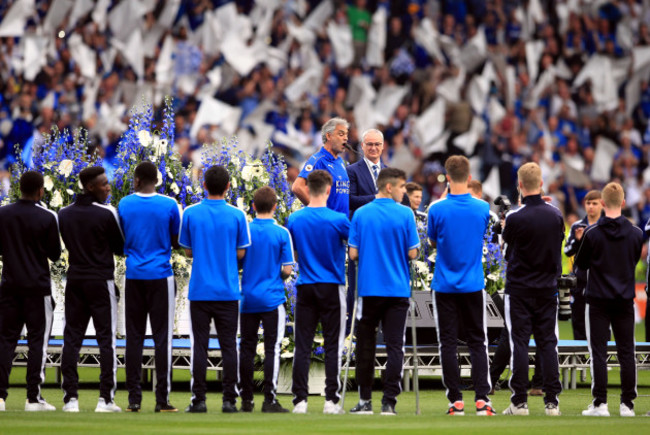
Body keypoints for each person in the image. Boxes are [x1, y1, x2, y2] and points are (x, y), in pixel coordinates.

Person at [427, 155, 495, 416]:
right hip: (472, 284)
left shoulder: (436, 208)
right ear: (469, 177)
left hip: (444, 284)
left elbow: (432, 242)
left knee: (447, 343)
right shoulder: (482, 208)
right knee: (478, 342)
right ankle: (482, 400)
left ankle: (455, 401)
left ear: (447, 176)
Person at [348, 168, 419, 415]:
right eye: (401, 187)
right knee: (395, 346)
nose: (404, 192)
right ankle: (389, 401)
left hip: (369, 290)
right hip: (397, 290)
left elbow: (353, 253)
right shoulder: (405, 214)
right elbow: (413, 252)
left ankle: (365, 401)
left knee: (365, 345)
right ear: (389, 187)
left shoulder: (361, 214)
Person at [179, 165, 250, 414]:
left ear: (204, 186)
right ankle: (229, 400)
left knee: (199, 345)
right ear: (228, 187)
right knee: (229, 345)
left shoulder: (190, 212)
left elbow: (188, 251)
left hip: (200, 289)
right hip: (228, 289)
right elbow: (242, 252)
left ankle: (198, 400)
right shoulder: (237, 215)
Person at [59, 167, 124, 413]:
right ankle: (105, 399)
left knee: (71, 339)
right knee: (106, 340)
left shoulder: (63, 213)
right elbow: (120, 247)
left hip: (75, 280)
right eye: (104, 184)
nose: (108, 187)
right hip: (100, 281)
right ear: (90, 187)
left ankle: (71, 400)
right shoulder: (107, 213)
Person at [118, 161, 181, 413]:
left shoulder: (124, 204)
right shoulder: (169, 205)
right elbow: (177, 241)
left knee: (134, 338)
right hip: (160, 275)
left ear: (136, 180)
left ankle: (134, 399)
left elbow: (121, 237)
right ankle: (162, 400)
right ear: (157, 179)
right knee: (162, 339)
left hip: (134, 275)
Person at [502, 162, 564, 416]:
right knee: (548, 343)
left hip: (519, 289)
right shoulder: (556, 214)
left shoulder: (515, 217)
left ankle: (519, 401)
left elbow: (506, 252)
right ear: (541, 184)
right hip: (547, 288)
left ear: (519, 185)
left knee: (519, 343)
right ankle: (552, 401)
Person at [576, 182, 643, 417]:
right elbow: (634, 259)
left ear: (603, 203)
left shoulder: (592, 233)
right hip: (624, 298)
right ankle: (627, 405)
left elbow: (581, 264)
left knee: (598, 352)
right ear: (623, 203)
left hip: (597, 300)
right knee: (627, 352)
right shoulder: (636, 233)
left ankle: (600, 403)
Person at [286, 170, 350, 414]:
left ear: (309, 189)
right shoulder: (339, 220)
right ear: (328, 189)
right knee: (333, 344)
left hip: (305, 286)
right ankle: (330, 400)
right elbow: (355, 247)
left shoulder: (294, 219)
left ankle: (300, 401)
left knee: (302, 344)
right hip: (332, 286)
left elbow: (292, 253)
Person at [0, 171, 61, 412]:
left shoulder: (3, 213)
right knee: (38, 342)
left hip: (10, 285)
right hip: (37, 287)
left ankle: (0, 398)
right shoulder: (47, 216)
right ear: (40, 191)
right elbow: (55, 254)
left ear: (19, 189)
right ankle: (33, 398)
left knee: (4, 341)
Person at [239, 186, 293, 414]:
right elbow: (288, 270)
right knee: (272, 348)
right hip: (272, 298)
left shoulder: (246, 231)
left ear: (253, 206)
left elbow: (239, 261)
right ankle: (269, 399)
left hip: (248, 297)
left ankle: (246, 400)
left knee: (247, 348)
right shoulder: (281, 233)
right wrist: (275, 274)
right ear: (275, 206)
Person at [346, 128, 386, 333]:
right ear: (362, 146)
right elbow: (350, 201)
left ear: (383, 146)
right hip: (361, 239)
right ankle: (353, 334)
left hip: (384, 240)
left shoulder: (389, 172)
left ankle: (379, 332)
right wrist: (377, 198)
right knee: (357, 288)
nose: (373, 148)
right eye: (369, 144)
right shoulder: (352, 170)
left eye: (377, 144)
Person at [564, 190, 603, 340]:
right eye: (588, 203)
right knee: (578, 322)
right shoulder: (577, 226)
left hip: (600, 282)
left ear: (602, 205)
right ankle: (580, 360)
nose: (591, 207)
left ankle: (601, 360)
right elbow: (567, 250)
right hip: (580, 282)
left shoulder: (606, 225)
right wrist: (579, 241)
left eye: (595, 203)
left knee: (601, 325)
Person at [291, 117, 350, 215]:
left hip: (343, 223)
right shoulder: (317, 160)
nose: (346, 138)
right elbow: (297, 187)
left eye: (346, 134)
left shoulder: (341, 162)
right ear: (329, 136)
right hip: (327, 225)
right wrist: (319, 212)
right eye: (341, 134)